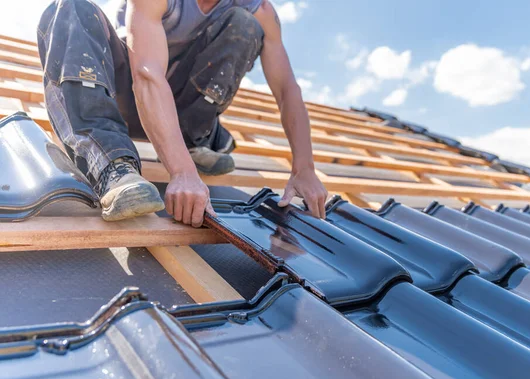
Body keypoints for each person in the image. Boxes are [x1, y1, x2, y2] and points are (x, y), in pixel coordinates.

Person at [37, 0, 328, 227]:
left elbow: (288, 90)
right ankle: (111, 164)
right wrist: (183, 172)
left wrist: (305, 169)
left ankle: (192, 139)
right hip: (123, 97)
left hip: (179, 109)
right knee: (72, 7)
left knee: (245, 26)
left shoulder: (258, 9)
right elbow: (147, 74)